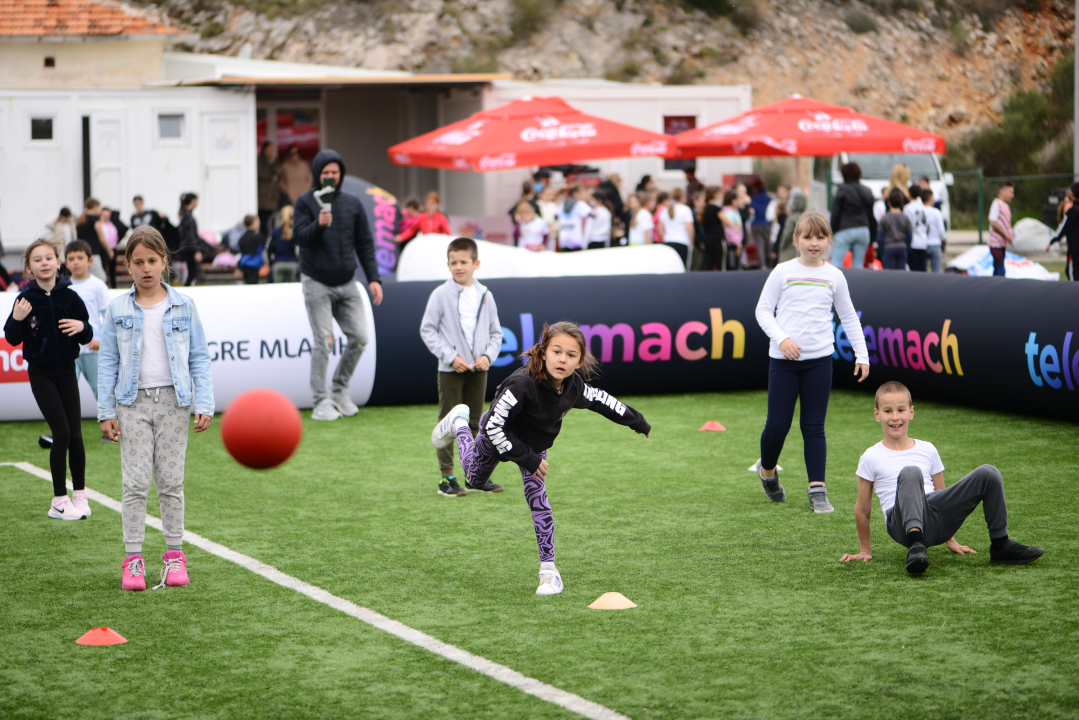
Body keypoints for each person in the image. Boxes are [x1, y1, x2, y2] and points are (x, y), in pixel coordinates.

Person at [430, 321, 651, 595]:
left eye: (571, 355)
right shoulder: (521, 384)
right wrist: (528, 459)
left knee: (538, 499)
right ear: (544, 351)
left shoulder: (573, 386)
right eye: (557, 351)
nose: (562, 359)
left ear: (580, 361)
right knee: (474, 479)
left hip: (533, 448)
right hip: (499, 434)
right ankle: (459, 425)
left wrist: (637, 421)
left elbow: (602, 400)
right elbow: (492, 427)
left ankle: (549, 572)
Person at [98, 227, 214, 591]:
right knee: (134, 483)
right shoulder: (117, 308)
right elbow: (107, 362)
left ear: (165, 263)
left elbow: (198, 357)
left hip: (174, 404)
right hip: (130, 404)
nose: (146, 268)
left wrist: (205, 402)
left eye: (153, 260)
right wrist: (106, 411)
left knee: (171, 482)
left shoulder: (184, 304)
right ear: (127, 266)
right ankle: (133, 560)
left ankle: (174, 556)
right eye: (138, 262)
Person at [840, 381, 1043, 573]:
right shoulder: (870, 456)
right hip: (899, 523)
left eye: (901, 410)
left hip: (934, 517)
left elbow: (941, 495)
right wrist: (865, 550)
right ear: (877, 414)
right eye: (887, 411)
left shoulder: (927, 449)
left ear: (911, 412)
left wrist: (949, 538)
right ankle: (915, 544)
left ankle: (1001, 545)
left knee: (988, 473)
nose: (895, 417)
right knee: (911, 472)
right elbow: (863, 508)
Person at [753, 211, 869, 514]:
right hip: (783, 361)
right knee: (777, 426)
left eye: (820, 237)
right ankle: (767, 472)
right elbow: (763, 311)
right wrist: (783, 339)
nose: (814, 243)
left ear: (829, 241)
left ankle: (817, 489)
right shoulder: (781, 271)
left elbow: (848, 316)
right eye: (807, 237)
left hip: (819, 362)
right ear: (796, 240)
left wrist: (862, 354)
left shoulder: (835, 276)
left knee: (814, 426)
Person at [5, 238, 93, 520]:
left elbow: (87, 333)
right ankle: (59, 500)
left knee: (76, 434)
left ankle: (79, 494)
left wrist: (82, 326)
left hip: (68, 371)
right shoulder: (25, 299)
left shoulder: (71, 296)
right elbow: (12, 337)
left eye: (48, 258)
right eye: (37, 259)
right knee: (62, 433)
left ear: (59, 262)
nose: (44, 263)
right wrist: (18, 318)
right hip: (41, 374)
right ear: (29, 268)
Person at [293, 149, 383, 421]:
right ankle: (321, 401)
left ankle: (340, 390)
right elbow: (299, 238)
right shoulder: (305, 202)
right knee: (324, 342)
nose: (330, 177)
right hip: (316, 282)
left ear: (341, 174)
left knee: (360, 337)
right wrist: (318, 224)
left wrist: (374, 279)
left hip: (348, 282)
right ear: (318, 175)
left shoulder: (352, 203)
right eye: (325, 173)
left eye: (335, 172)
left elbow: (365, 244)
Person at [420, 237, 503, 497]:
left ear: (475, 264)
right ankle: (447, 478)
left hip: (479, 371)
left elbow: (496, 334)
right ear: (448, 265)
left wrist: (488, 356)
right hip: (450, 371)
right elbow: (428, 330)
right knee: (448, 423)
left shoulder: (485, 294)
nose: (459, 267)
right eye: (453, 262)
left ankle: (474, 475)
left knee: (477, 423)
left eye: (464, 262)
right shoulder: (440, 294)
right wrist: (450, 356)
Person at [64, 240, 111, 438]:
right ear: (65, 263)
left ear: (90, 260)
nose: (76, 262)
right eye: (71, 258)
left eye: (80, 258)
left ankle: (110, 428)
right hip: (68, 352)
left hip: (92, 350)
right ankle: (63, 432)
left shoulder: (97, 285)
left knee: (102, 391)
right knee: (65, 393)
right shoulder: (62, 287)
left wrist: (99, 339)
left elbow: (107, 316)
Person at [829, 162, 876, 270]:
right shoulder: (867, 191)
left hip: (845, 230)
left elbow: (835, 212)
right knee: (858, 266)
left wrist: (832, 231)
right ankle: (857, 286)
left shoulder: (842, 189)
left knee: (836, 264)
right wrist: (872, 235)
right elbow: (870, 215)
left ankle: (834, 286)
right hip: (863, 230)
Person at [1049, 181, 1079, 281]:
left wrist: (1052, 241)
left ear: (1071, 194)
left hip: (1074, 249)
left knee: (1072, 273)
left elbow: (1063, 229)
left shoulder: (1072, 211)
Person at [657, 187, 694, 267]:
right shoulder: (686, 209)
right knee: (682, 268)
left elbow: (659, 228)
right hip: (682, 242)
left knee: (670, 267)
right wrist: (691, 242)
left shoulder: (665, 210)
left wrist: (665, 237)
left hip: (668, 242)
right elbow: (689, 228)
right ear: (682, 197)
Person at [878, 189, 913, 270]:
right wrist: (907, 247)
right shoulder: (905, 218)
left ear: (889, 203)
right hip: (902, 247)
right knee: (900, 275)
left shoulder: (884, 218)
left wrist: (881, 250)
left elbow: (880, 237)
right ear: (901, 203)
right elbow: (910, 235)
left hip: (888, 247)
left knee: (889, 275)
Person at [76, 198, 110, 283]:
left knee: (85, 276)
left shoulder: (81, 219)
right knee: (101, 278)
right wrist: (109, 250)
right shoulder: (95, 219)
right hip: (93, 252)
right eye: (99, 208)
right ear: (95, 206)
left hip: (81, 252)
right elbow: (101, 237)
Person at [987, 182, 1014, 277]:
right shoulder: (996, 204)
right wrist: (1006, 234)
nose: (1012, 195)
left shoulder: (1006, 206)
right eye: (1010, 192)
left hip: (1002, 244)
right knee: (1000, 269)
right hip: (995, 243)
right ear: (1002, 191)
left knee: (998, 268)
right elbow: (993, 222)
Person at [176, 193, 202, 286]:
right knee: (192, 273)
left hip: (187, 247)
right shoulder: (188, 217)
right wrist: (196, 250)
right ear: (193, 201)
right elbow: (191, 235)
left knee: (191, 273)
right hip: (190, 248)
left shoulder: (184, 215)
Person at [556, 185, 591, 253]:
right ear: (576, 194)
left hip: (564, 240)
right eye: (584, 192)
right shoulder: (580, 204)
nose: (586, 194)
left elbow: (556, 216)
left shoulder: (562, 203)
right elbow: (593, 214)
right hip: (576, 240)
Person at [776, 188, 807, 264]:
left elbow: (787, 235)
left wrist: (782, 247)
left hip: (789, 253)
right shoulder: (807, 218)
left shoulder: (792, 218)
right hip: (803, 254)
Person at [270, 205, 299, 282]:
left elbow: (269, 248)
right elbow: (298, 248)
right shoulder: (295, 231)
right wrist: (298, 260)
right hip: (292, 263)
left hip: (278, 263)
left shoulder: (275, 231)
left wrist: (271, 262)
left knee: (278, 289)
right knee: (291, 289)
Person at [699, 186, 726, 271]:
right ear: (715, 194)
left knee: (708, 264)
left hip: (707, 240)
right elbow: (728, 222)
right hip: (717, 240)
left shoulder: (704, 208)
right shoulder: (716, 208)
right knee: (720, 265)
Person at [903, 185, 929, 272]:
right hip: (923, 241)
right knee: (922, 271)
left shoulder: (908, 208)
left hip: (913, 242)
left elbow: (907, 226)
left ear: (909, 194)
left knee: (913, 271)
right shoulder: (924, 207)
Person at [257, 141, 280, 239]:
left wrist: (272, 162)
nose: (271, 152)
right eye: (269, 149)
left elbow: (279, 173)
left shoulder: (275, 161)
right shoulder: (259, 162)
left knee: (272, 221)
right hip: (263, 197)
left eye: (272, 149)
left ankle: (272, 240)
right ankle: (264, 240)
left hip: (273, 197)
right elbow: (263, 174)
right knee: (264, 221)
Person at [748, 180, 772, 269]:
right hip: (767, 224)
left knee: (760, 244)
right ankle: (771, 262)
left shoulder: (753, 198)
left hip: (756, 224)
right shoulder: (769, 197)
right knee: (768, 244)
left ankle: (763, 264)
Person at [922, 188, 946, 273]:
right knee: (937, 272)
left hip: (922, 244)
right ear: (930, 198)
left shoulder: (920, 211)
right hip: (935, 243)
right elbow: (942, 231)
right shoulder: (936, 212)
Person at [237, 215, 264, 285]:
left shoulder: (242, 238)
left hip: (244, 264)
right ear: (254, 223)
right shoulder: (259, 238)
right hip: (255, 264)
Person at [720, 190, 744, 270]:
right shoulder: (727, 213)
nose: (742, 201)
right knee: (732, 267)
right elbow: (728, 230)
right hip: (731, 245)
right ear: (733, 201)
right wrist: (737, 242)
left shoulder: (735, 212)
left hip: (737, 244)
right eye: (740, 199)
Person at [99, 207, 120, 288]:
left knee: (112, 269)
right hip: (103, 249)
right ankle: (104, 286)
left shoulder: (113, 223)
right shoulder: (99, 224)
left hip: (113, 248)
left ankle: (113, 286)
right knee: (104, 268)